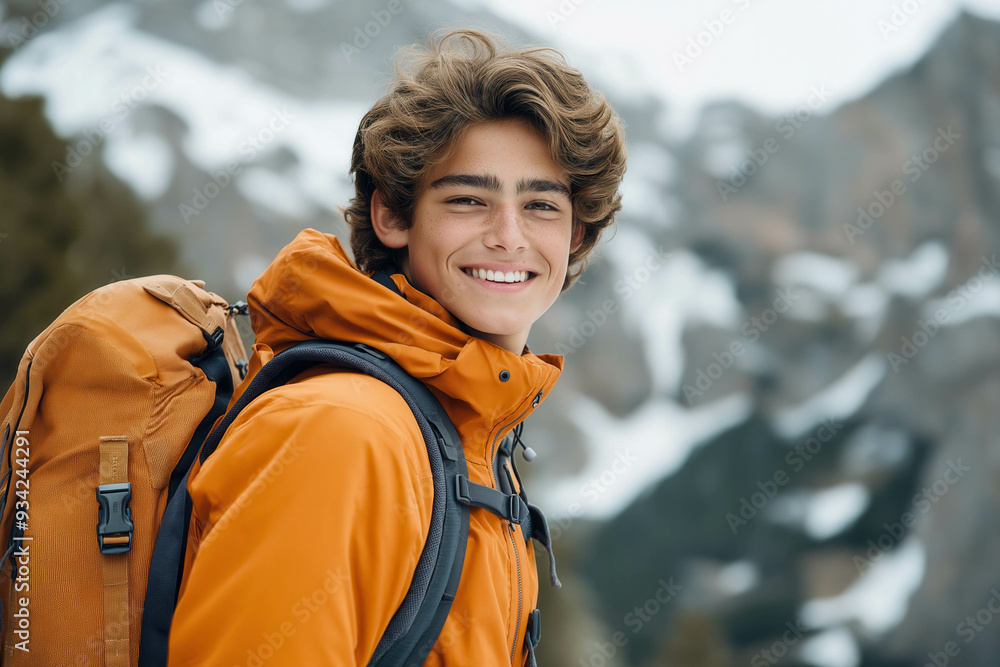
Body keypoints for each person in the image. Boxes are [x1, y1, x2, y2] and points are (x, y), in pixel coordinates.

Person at [166, 28, 626, 666]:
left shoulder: (466, 431)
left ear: (576, 234)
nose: (509, 236)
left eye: (541, 205)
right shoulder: (342, 431)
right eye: (469, 199)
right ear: (392, 217)